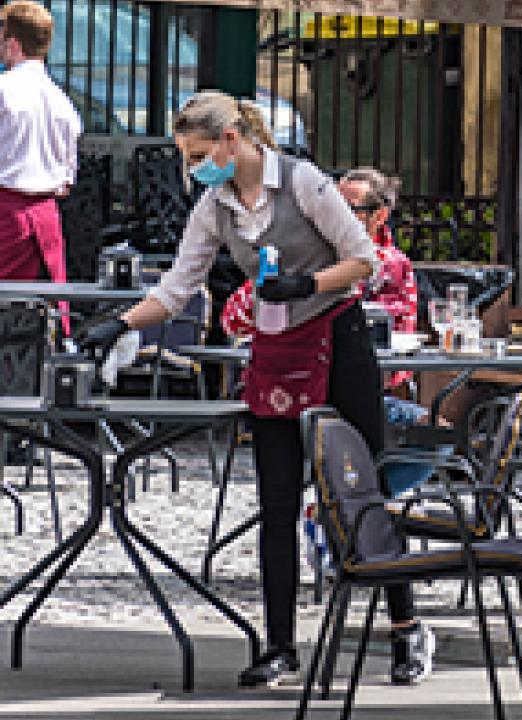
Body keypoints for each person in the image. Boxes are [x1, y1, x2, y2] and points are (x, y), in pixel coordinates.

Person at [80, 91, 432, 687]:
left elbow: (364, 259)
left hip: (339, 341)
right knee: (275, 502)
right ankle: (279, 646)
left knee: (361, 490)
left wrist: (304, 284)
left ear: (230, 140)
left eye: (197, 154)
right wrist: (121, 322)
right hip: (276, 351)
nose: (192, 170)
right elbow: (179, 284)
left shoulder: (303, 183)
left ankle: (405, 629)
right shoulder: (215, 206)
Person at [222, 166, 427, 424]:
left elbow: (392, 352)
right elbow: (231, 319)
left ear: (379, 216)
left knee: (426, 430)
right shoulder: (303, 255)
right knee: (434, 434)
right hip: (292, 387)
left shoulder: (389, 266)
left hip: (343, 389)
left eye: (348, 209)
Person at [0, 1, 79, 326]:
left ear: (13, 43)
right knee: (44, 318)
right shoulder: (63, 102)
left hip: (6, 210)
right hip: (46, 217)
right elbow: (67, 181)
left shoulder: (3, 90)